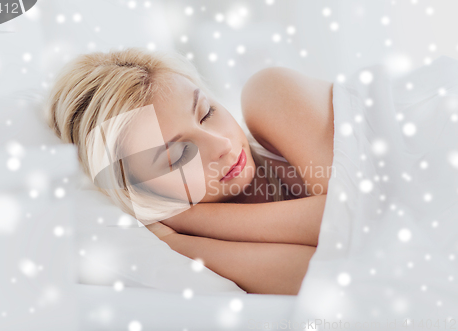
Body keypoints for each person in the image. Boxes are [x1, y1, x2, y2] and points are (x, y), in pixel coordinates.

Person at [44, 47, 335, 295]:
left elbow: (354, 218)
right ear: (143, 191)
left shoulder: (271, 93)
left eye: (207, 112)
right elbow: (334, 277)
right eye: (179, 155)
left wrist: (191, 219)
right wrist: (174, 242)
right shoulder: (199, 245)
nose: (221, 143)